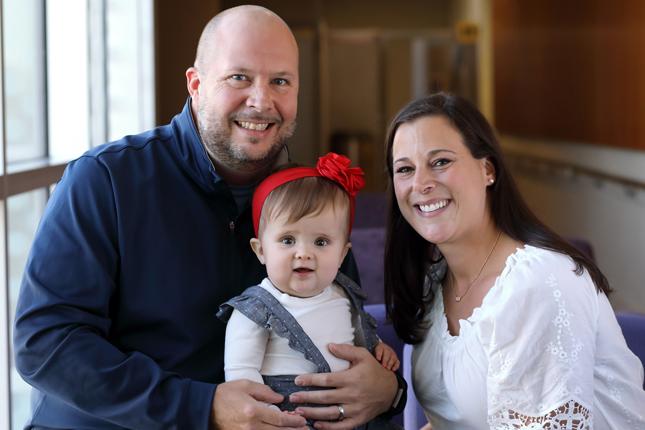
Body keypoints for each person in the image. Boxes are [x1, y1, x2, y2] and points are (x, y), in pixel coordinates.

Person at [13, 5, 403, 430]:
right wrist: (201, 406)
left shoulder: (308, 201)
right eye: (239, 77)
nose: (261, 100)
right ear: (196, 84)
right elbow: (46, 343)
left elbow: (344, 330)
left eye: (280, 81)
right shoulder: (105, 180)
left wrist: (388, 391)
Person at [383, 92, 645, 429]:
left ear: (487, 169)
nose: (421, 183)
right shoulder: (436, 281)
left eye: (441, 162)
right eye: (405, 169)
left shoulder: (539, 281)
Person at [218, 153, 400, 429]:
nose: (304, 254)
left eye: (321, 242)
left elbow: (357, 335)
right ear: (261, 250)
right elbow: (241, 373)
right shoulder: (254, 310)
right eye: (288, 240)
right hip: (288, 418)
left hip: (352, 417)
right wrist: (266, 413)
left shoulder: (343, 293)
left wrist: (378, 349)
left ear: (342, 255)